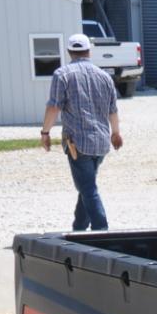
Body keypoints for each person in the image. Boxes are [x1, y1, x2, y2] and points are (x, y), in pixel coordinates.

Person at [40, 33, 123, 231]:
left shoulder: (62, 75)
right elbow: (113, 109)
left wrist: (45, 132)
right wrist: (116, 133)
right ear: (89, 51)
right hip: (101, 142)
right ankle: (79, 228)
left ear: (69, 52)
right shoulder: (104, 76)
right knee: (86, 185)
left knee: (87, 187)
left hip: (77, 142)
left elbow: (54, 107)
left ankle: (101, 230)